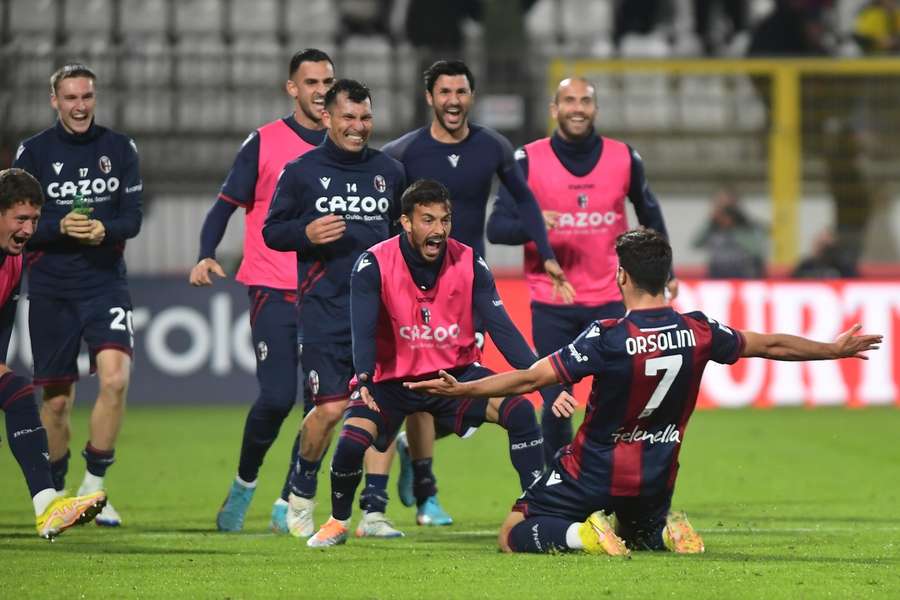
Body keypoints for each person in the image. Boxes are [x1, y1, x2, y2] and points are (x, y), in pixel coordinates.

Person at [407, 229, 881, 555]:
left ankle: (583, 537)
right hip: (656, 479)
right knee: (633, 532)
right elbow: (769, 343)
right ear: (665, 278)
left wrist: (463, 388)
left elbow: (531, 378)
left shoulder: (608, 336)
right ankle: (662, 530)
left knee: (512, 532)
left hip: (593, 473)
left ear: (622, 277)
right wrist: (833, 349)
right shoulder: (698, 330)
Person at [305, 178, 545, 548]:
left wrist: (543, 375)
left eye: (444, 220)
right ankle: (338, 521)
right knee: (352, 439)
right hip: (392, 383)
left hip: (455, 378)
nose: (438, 230)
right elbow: (363, 330)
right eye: (428, 220)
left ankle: (538, 509)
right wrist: (364, 379)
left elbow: (502, 328)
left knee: (520, 413)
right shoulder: (373, 264)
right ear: (406, 222)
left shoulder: (468, 260)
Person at [382, 59, 572, 525]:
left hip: (468, 283)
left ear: (472, 96)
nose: (453, 100)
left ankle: (415, 457)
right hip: (414, 290)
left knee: (454, 395)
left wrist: (544, 251)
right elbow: (384, 220)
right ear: (430, 97)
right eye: (444, 92)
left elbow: (524, 199)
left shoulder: (493, 146)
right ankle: (424, 495)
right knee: (419, 383)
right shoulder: (401, 154)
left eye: (461, 92)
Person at [487, 76, 676, 465]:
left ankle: (617, 483)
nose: (578, 108)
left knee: (621, 401)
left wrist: (665, 270)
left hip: (611, 300)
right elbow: (498, 228)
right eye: (569, 101)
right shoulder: (526, 160)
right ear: (554, 109)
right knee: (557, 404)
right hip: (552, 302)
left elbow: (650, 212)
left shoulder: (624, 157)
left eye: (585, 101)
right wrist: (537, 225)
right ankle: (561, 488)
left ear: (595, 109)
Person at [188, 49, 335, 534]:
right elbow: (224, 205)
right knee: (275, 398)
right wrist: (207, 251)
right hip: (273, 286)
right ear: (292, 88)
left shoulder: (347, 149)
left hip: (328, 294)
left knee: (321, 405)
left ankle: (289, 495)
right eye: (311, 82)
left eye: (327, 81)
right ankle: (245, 482)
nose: (320, 90)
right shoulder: (266, 142)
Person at [263, 79, 406, 540]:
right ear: (326, 116)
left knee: (379, 410)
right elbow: (272, 231)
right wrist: (305, 233)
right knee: (327, 410)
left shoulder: (390, 171)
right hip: (325, 310)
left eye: (365, 118)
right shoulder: (301, 171)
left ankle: (373, 512)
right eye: (348, 117)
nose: (358, 127)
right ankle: (301, 491)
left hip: (381, 314)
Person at [13, 63, 143, 527]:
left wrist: (104, 228)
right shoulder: (33, 152)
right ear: (55, 101)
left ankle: (95, 485)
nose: (80, 106)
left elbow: (133, 218)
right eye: (70, 98)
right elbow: (17, 224)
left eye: (86, 96)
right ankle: (58, 493)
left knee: (114, 379)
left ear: (95, 97)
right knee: (57, 402)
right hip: (51, 289)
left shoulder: (119, 148)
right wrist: (58, 227)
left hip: (105, 282)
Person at [0, 168, 108, 539]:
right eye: (20, 219)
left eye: (34, 220)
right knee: (16, 390)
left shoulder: (14, 259)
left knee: (15, 392)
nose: (29, 230)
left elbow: (3, 325)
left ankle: (48, 507)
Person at [691, 186, 766, 279]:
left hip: (744, 277)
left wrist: (734, 229)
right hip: (716, 277)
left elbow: (757, 250)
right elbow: (695, 244)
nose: (725, 211)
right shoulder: (713, 227)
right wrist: (710, 222)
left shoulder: (749, 226)